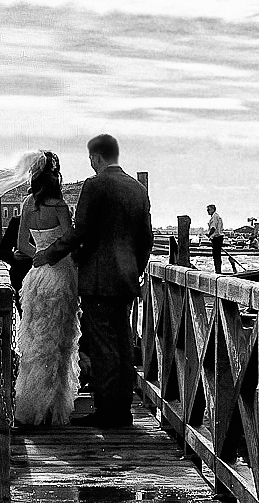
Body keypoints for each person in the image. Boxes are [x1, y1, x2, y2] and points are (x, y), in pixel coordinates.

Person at [35, 134, 153, 428]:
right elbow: (146, 239)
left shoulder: (94, 185)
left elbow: (81, 232)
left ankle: (107, 412)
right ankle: (122, 410)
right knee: (124, 344)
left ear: (97, 158)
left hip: (99, 279)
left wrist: (48, 255)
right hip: (126, 279)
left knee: (103, 347)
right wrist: (136, 268)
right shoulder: (138, 189)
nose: (90, 163)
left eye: (90, 159)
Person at [13, 151, 81, 426]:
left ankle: (31, 406)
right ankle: (52, 409)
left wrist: (39, 254)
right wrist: (52, 254)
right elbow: (70, 242)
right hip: (61, 275)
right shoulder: (60, 207)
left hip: (36, 277)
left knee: (36, 341)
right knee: (59, 342)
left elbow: (22, 245)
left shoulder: (28, 203)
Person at [0, 216, 32, 315]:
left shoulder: (56, 219)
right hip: (22, 276)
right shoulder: (17, 222)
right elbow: (1, 251)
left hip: (48, 275)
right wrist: (13, 256)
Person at [206, 204, 224, 274]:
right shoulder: (216, 216)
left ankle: (218, 271)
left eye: (209, 210)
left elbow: (213, 228)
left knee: (216, 256)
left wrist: (209, 234)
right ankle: (218, 270)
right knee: (217, 255)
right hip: (218, 238)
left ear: (213, 209)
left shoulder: (214, 217)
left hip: (217, 238)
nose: (207, 211)